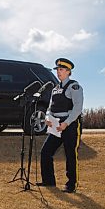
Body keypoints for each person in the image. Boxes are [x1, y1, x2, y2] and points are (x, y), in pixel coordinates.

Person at [39, 58, 84, 193]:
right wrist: (47, 117)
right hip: (56, 126)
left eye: (62, 69)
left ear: (68, 72)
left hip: (69, 125)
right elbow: (49, 108)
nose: (59, 72)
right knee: (46, 152)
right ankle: (49, 181)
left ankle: (71, 185)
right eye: (57, 70)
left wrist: (66, 123)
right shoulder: (55, 88)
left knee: (70, 154)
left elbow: (77, 108)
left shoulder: (74, 86)